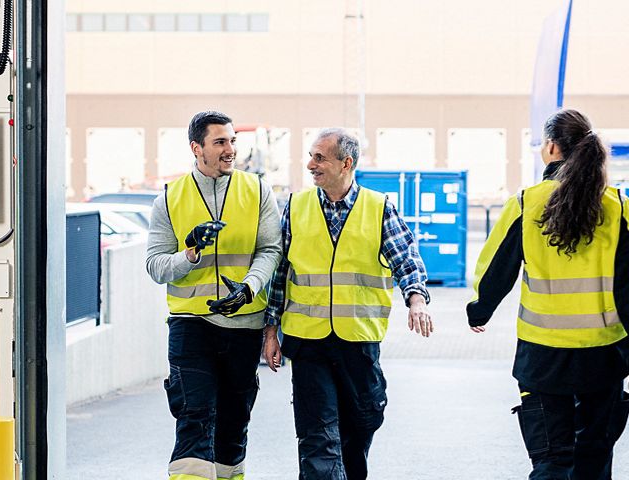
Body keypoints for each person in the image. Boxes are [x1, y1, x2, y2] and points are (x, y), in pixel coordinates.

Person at [466, 109, 629, 480]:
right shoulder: (620, 208)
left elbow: (495, 269)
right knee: (593, 463)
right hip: (603, 358)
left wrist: (480, 310)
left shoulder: (526, 203)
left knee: (552, 463)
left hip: (542, 359)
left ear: (552, 147)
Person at [262, 128, 433, 480]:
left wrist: (416, 300)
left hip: (358, 341)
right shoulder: (296, 206)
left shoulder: (379, 208)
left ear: (346, 163)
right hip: (308, 341)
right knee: (317, 435)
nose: (311, 165)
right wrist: (270, 330)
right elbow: (280, 272)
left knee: (360, 427)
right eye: (311, 156)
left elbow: (406, 260)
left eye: (320, 158)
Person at [145, 110, 281, 480]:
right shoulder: (170, 198)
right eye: (220, 142)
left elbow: (270, 250)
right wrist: (189, 254)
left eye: (233, 140)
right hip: (191, 325)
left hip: (244, 325)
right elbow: (155, 266)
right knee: (194, 415)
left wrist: (249, 288)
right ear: (197, 148)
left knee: (234, 423)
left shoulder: (257, 191)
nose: (230, 149)